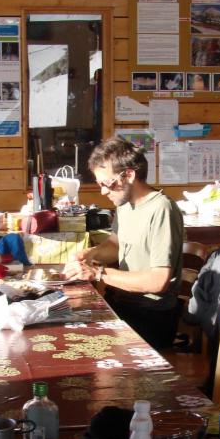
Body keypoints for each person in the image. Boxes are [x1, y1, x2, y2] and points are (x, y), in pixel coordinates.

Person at [64, 138, 183, 350]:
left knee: (83, 345)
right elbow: (115, 245)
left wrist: (98, 274)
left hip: (152, 315)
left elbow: (158, 281)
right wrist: (89, 255)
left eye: (106, 183)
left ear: (128, 175)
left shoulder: (162, 209)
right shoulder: (125, 204)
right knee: (64, 327)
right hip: (124, 304)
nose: (102, 191)